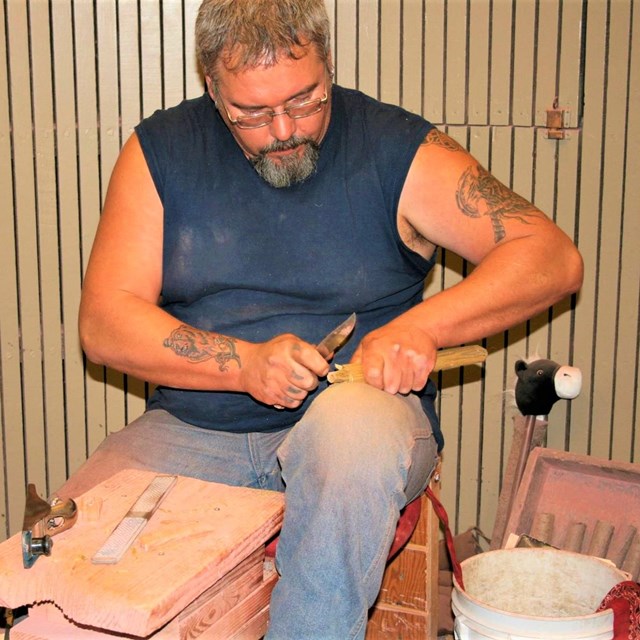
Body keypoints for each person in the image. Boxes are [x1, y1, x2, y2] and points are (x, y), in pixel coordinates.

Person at [70, 0, 583, 637]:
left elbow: (550, 257)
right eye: (252, 114)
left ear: (327, 64)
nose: (284, 129)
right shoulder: (161, 151)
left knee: (348, 440)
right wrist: (244, 365)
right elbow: (104, 323)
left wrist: (423, 327)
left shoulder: (395, 147)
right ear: (212, 86)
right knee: (80, 552)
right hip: (196, 424)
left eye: (306, 100)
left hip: (361, 411)